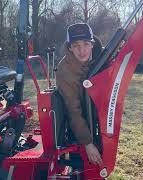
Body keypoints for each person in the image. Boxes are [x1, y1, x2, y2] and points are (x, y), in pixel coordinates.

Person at [56, 23, 103, 165]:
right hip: (77, 123)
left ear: (92, 44)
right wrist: (87, 143)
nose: (82, 50)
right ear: (69, 47)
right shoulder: (65, 71)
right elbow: (73, 110)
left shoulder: (101, 58)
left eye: (86, 44)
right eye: (76, 45)